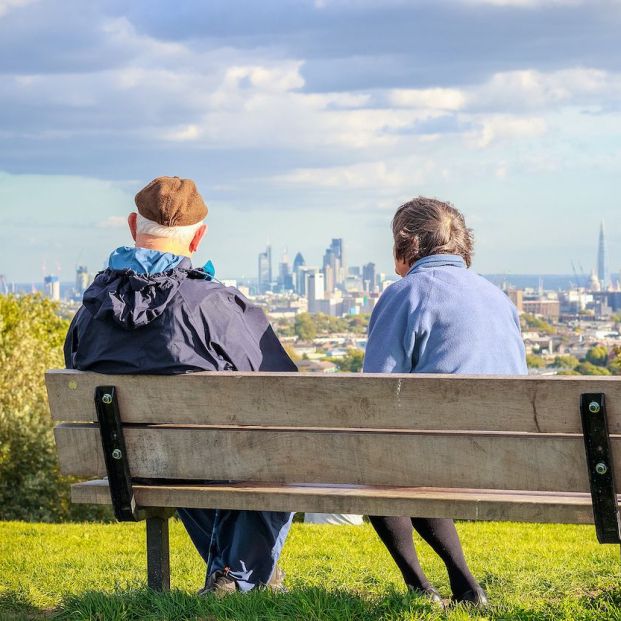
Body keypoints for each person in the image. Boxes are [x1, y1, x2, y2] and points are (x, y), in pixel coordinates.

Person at [64, 176, 297, 594]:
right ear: (198, 238)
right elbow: (283, 389)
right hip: (202, 457)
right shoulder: (214, 305)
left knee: (183, 453)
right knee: (279, 447)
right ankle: (239, 577)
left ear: (134, 227)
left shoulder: (91, 308)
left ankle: (238, 572)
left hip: (136, 463)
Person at [363, 197, 527, 607]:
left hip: (440, 456)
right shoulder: (499, 299)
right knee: (415, 454)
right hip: (512, 457)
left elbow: (373, 395)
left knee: (376, 460)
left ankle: (424, 588)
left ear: (406, 245)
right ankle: (466, 590)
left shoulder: (405, 294)